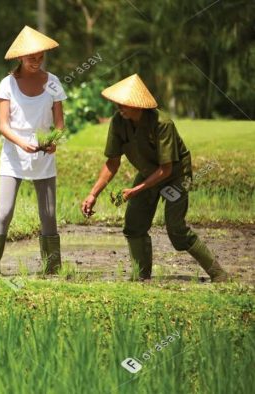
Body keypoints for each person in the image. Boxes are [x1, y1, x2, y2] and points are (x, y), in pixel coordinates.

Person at [81, 74, 229, 282]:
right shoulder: (118, 122)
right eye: (117, 104)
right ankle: (142, 278)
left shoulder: (162, 123)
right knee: (133, 226)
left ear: (138, 105)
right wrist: (92, 194)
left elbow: (166, 170)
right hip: (149, 173)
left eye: (123, 104)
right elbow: (112, 163)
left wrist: (136, 190)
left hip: (176, 176)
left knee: (176, 231)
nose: (119, 108)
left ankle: (219, 274)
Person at [0, 26, 67, 275]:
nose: (37, 61)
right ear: (20, 57)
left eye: (40, 56)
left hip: (43, 155)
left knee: (49, 215)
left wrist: (53, 141)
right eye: (32, 57)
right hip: (13, 155)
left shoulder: (52, 82)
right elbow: (3, 125)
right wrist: (21, 143)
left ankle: (52, 270)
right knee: (4, 212)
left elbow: (60, 124)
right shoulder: (7, 84)